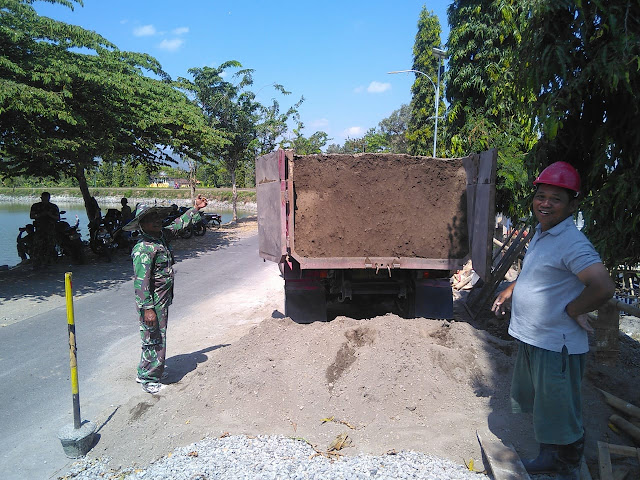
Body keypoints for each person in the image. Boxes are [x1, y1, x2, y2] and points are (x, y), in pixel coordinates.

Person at [491, 162, 615, 480]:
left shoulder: (572, 242)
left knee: (561, 408)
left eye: (555, 198)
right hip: (535, 338)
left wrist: (574, 310)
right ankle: (548, 456)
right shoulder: (542, 232)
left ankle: (568, 465)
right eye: (541, 195)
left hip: (556, 343)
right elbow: (538, 273)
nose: (545, 203)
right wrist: (512, 289)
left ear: (572, 204)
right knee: (546, 405)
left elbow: (602, 285)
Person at [123, 195, 208, 394]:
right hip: (151, 302)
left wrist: (195, 209)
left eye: (157, 218)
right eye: (150, 219)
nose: (156, 221)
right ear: (141, 224)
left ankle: (147, 370)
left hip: (161, 298)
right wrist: (148, 309)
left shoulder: (160, 236)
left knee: (155, 335)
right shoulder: (144, 248)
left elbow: (179, 225)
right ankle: (149, 378)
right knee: (154, 337)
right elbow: (141, 283)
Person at [29, 192, 60, 261]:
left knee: (51, 245)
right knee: (38, 246)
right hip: (39, 229)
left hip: (50, 229)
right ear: (41, 198)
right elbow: (32, 216)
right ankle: (38, 260)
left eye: (47, 198)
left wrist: (49, 215)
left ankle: (51, 260)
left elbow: (58, 218)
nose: (45, 200)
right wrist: (41, 214)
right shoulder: (35, 206)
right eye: (44, 198)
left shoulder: (53, 207)